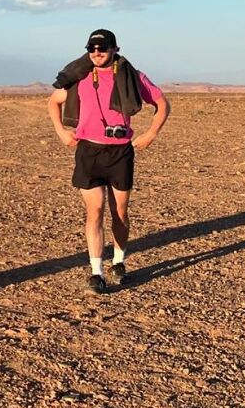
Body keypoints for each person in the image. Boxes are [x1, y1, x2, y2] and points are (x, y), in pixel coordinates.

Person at [47, 29, 170, 293]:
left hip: (120, 153)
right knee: (95, 211)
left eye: (102, 48)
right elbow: (53, 101)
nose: (97, 53)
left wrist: (150, 134)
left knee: (120, 213)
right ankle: (96, 272)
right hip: (89, 152)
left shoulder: (131, 77)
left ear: (115, 49)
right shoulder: (79, 79)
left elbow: (161, 103)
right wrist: (61, 132)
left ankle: (118, 261)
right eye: (92, 48)